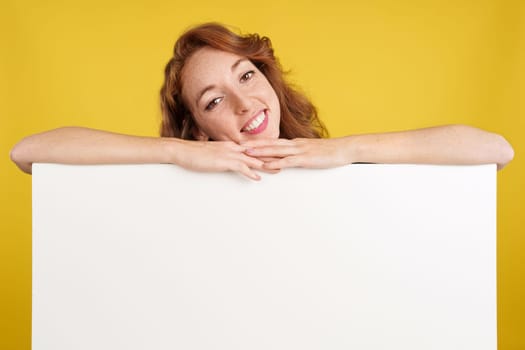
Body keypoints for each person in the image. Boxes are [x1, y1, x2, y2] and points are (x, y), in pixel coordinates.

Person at [10, 23, 514, 180]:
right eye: (212, 101)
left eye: (247, 75)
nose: (244, 102)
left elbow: (495, 150)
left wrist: (347, 150)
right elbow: (27, 152)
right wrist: (172, 152)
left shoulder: (332, 171)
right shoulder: (178, 175)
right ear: (200, 128)